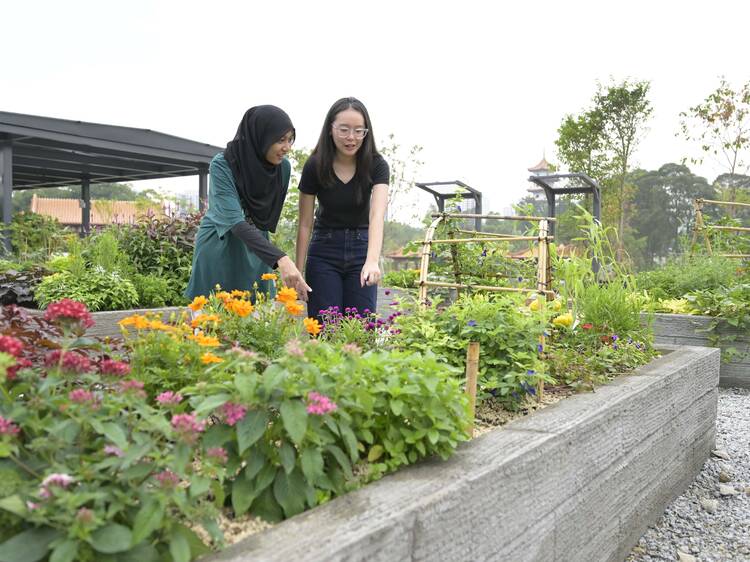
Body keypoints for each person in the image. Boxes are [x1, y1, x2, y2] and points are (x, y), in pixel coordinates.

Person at [186, 105, 311, 300]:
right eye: (280, 140)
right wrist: (281, 259)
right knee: (212, 322)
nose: (287, 148)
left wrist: (281, 261)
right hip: (220, 246)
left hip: (257, 252)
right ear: (260, 137)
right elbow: (235, 222)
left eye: (290, 139)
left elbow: (264, 218)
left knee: (258, 323)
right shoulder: (223, 164)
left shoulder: (283, 168)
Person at [295, 97, 389, 319]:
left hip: (361, 250)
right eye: (344, 129)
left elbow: (377, 215)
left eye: (359, 131)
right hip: (324, 252)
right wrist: (298, 273)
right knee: (324, 327)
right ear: (331, 129)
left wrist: (372, 260)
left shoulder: (377, 165)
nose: (351, 137)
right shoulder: (315, 165)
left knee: (360, 328)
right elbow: (305, 223)